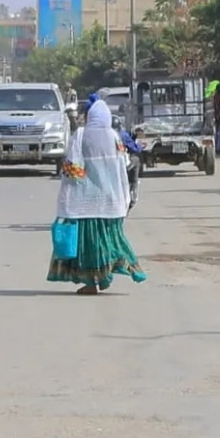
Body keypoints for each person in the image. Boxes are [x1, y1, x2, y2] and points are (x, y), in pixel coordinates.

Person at [48, 98, 146, 294]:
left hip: (84, 203)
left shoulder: (81, 135)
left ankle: (94, 281)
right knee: (111, 239)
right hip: (110, 202)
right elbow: (123, 165)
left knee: (89, 245)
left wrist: (68, 192)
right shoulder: (113, 136)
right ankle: (114, 273)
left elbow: (72, 169)